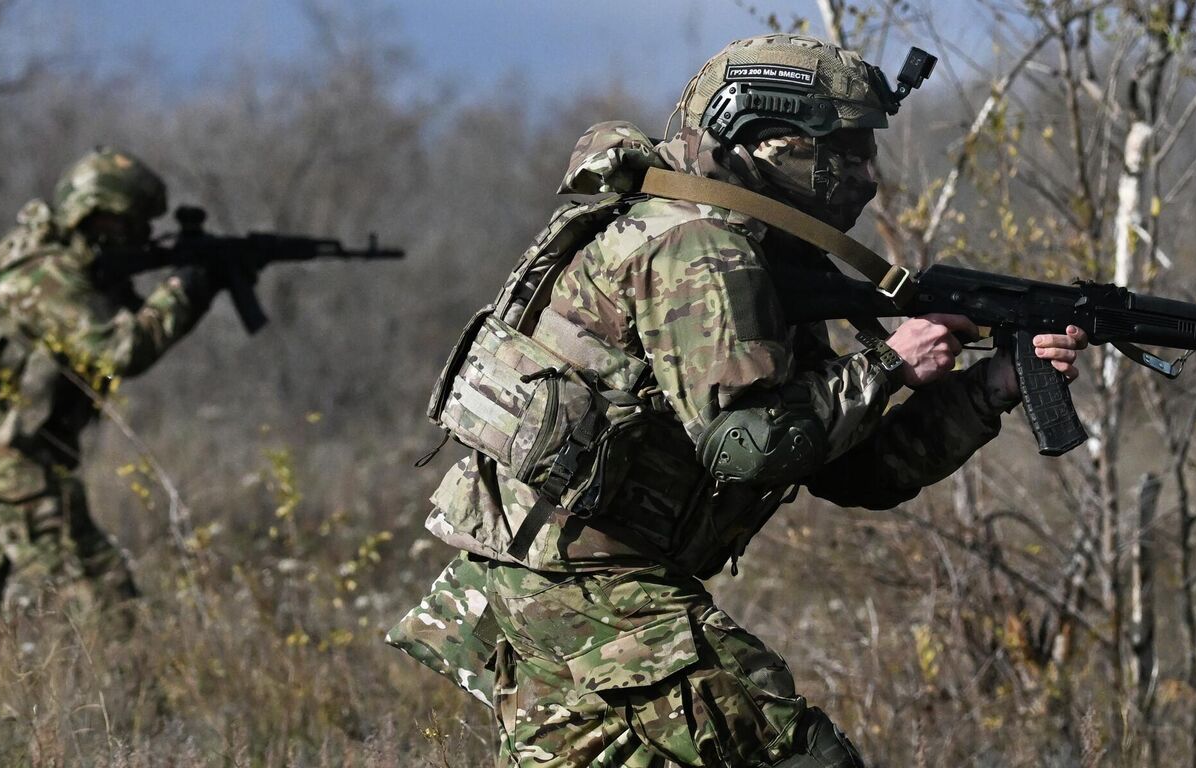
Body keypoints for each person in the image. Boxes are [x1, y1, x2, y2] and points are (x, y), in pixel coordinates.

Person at [387, 35, 1086, 766]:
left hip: (553, 584)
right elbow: (745, 447)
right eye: (844, 152)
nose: (866, 176)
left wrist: (991, 386)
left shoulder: (754, 252)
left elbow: (853, 469)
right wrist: (890, 365)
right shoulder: (697, 246)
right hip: (585, 588)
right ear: (764, 137)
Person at [0, 147, 222, 683]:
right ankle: (135, 722)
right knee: (99, 587)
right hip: (1, 450)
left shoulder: (65, 265)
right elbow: (123, 349)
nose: (137, 231)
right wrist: (187, 288)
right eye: (127, 220)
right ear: (95, 214)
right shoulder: (42, 272)